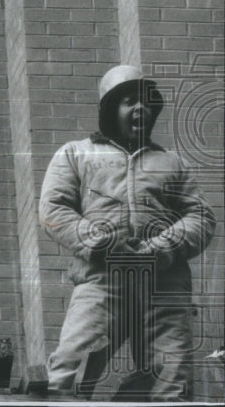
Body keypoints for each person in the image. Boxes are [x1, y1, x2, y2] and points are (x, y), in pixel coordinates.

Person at [39, 64, 215, 400]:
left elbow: (201, 216)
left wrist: (158, 249)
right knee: (69, 373)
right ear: (108, 109)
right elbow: (54, 210)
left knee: (172, 380)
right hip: (102, 279)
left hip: (164, 282)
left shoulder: (172, 162)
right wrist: (105, 243)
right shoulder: (76, 154)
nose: (141, 109)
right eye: (129, 102)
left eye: (147, 103)